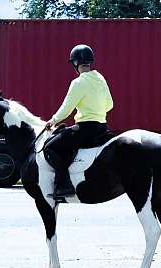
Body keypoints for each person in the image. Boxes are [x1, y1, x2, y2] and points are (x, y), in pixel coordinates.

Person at [44, 44, 114, 198]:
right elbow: (110, 105)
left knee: (51, 147)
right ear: (90, 61)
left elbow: (67, 108)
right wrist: (96, 110)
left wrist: (52, 120)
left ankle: (64, 186)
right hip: (102, 127)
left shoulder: (78, 82)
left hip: (85, 128)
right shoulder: (100, 78)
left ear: (75, 63)